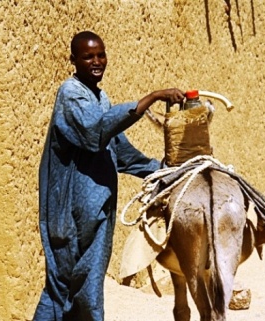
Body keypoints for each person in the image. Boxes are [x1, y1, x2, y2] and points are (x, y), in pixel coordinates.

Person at [33, 31, 184, 321]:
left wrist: (164, 169)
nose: (96, 61)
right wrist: (152, 97)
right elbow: (95, 132)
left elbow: (121, 153)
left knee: (85, 290)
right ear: (73, 60)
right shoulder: (70, 94)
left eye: (100, 54)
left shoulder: (100, 98)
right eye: (88, 56)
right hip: (68, 218)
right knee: (64, 290)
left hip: (98, 214)